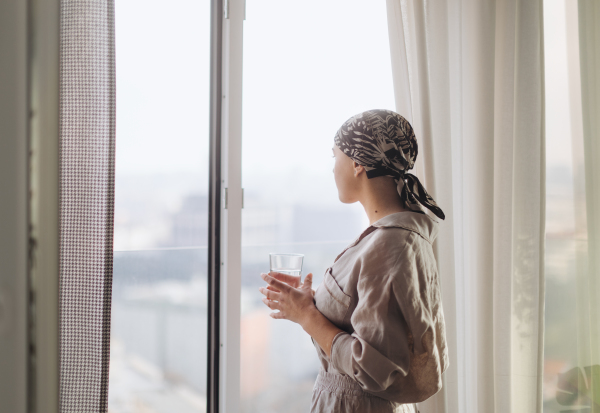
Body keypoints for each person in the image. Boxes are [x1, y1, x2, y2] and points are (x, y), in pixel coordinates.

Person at [258, 109, 448, 413]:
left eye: (336, 157)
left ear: (358, 162)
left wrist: (306, 315)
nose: (333, 169)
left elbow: (373, 367)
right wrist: (311, 302)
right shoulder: (394, 238)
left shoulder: (390, 245)